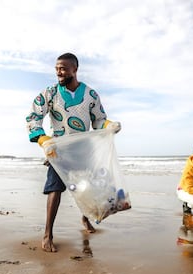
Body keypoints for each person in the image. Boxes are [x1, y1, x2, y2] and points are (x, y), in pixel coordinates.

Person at [25, 52, 121, 252]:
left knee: (86, 188)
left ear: (74, 69)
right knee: (54, 189)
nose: (59, 72)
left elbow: (98, 120)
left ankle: (85, 219)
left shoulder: (90, 95)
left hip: (83, 151)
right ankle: (47, 234)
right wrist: (43, 139)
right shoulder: (49, 93)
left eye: (63, 68)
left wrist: (110, 124)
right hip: (57, 151)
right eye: (57, 68)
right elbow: (33, 117)